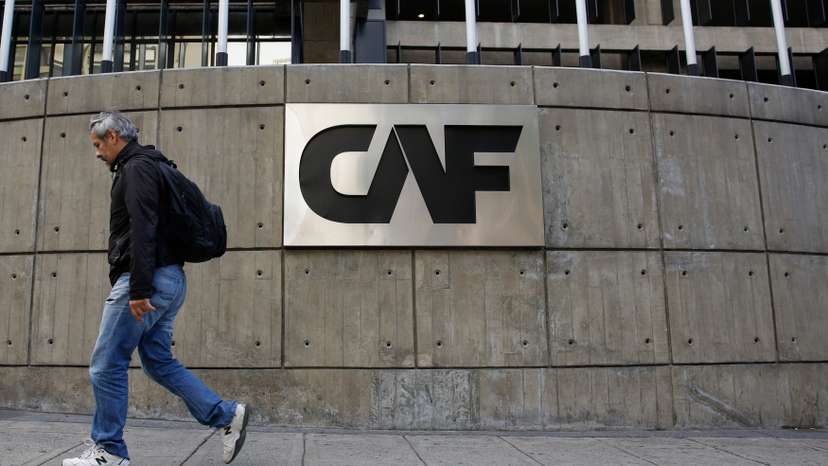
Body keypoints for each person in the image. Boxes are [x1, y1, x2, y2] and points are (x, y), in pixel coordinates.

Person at [63, 112, 249, 466]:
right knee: (158, 362)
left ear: (114, 136)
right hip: (171, 278)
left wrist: (138, 287)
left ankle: (109, 451)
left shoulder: (136, 169)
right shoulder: (154, 165)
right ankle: (226, 415)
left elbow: (143, 225)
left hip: (146, 279)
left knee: (106, 364)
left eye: (98, 144)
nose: (97, 153)